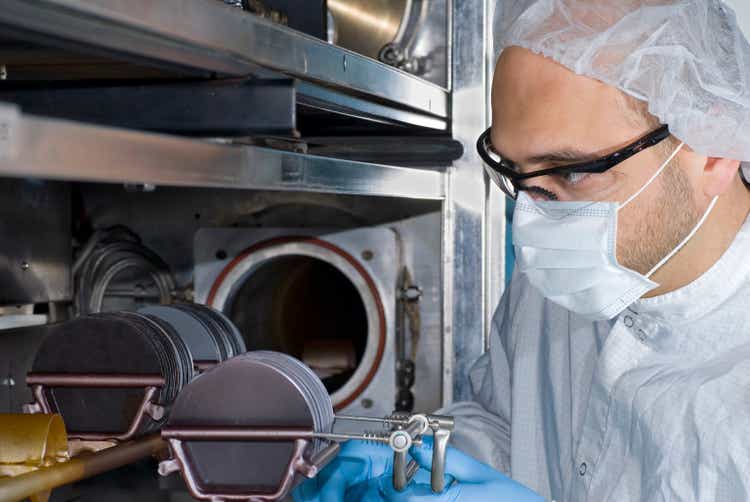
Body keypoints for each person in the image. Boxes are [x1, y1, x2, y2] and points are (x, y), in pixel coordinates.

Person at [296, 0, 750, 500]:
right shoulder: (563, 275)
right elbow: (504, 422)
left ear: (712, 146)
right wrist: (422, 461)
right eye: (513, 173)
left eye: (572, 172)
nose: (535, 219)